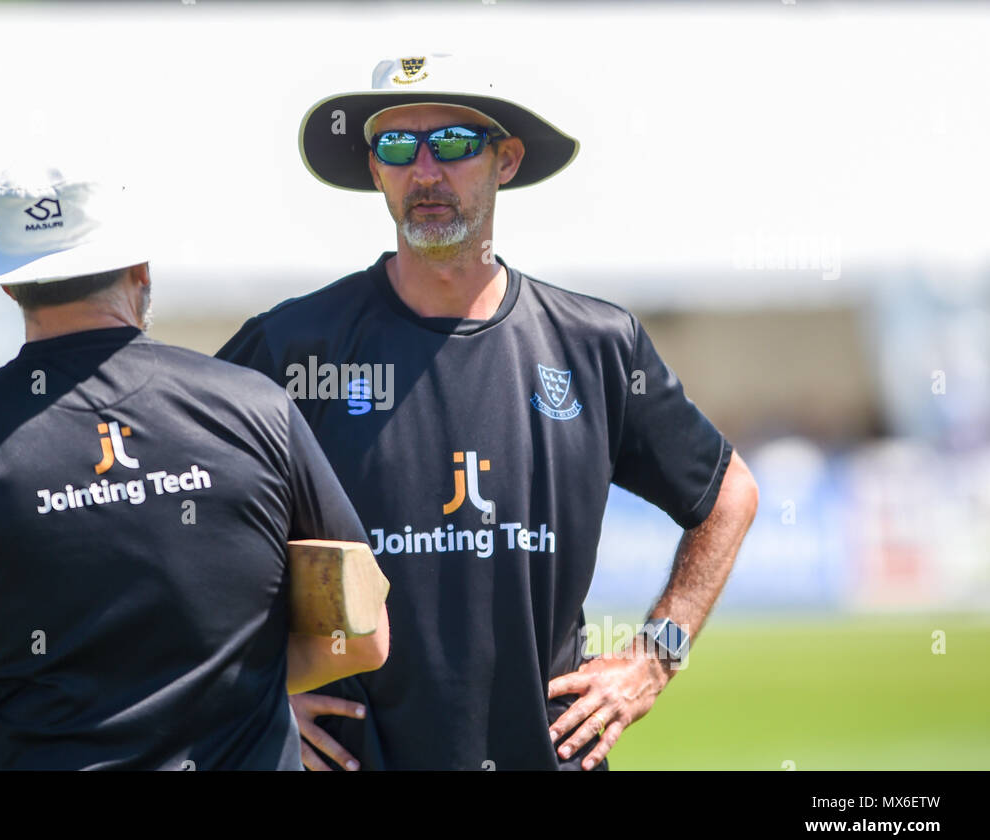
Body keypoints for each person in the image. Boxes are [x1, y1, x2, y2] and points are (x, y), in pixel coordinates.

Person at [217, 54, 759, 770]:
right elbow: (184, 520)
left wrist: (656, 655)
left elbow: (729, 496)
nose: (425, 171)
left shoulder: (595, 345)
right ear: (375, 171)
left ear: (505, 161)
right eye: (397, 147)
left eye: (452, 144)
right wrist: (252, 692)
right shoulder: (291, 345)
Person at [0, 166, 388, 770]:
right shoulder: (258, 409)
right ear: (141, 271)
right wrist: (235, 686)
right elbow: (362, 635)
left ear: (11, 288)